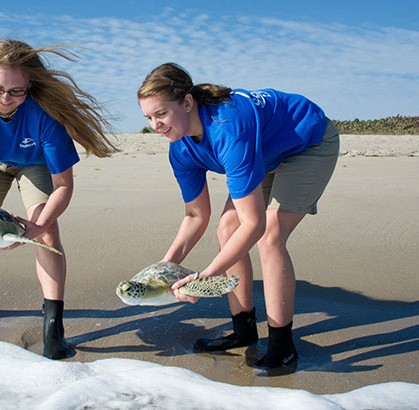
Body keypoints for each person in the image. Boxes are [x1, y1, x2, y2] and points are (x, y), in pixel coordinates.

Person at [137, 63, 339, 369]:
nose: (155, 125)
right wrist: (166, 267)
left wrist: (206, 276)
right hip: (264, 152)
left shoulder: (227, 127)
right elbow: (195, 216)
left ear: (188, 102)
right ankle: (243, 330)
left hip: (307, 142)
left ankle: (282, 345)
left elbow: (254, 223)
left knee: (270, 235)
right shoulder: (179, 149)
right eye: (149, 118)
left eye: (161, 114)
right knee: (227, 230)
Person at [0, 39, 118, 360]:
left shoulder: (44, 113)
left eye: (17, 91)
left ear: (30, 84)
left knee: (48, 231)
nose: (5, 99)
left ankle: (53, 327)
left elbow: (63, 186)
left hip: (35, 163)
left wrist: (37, 226)